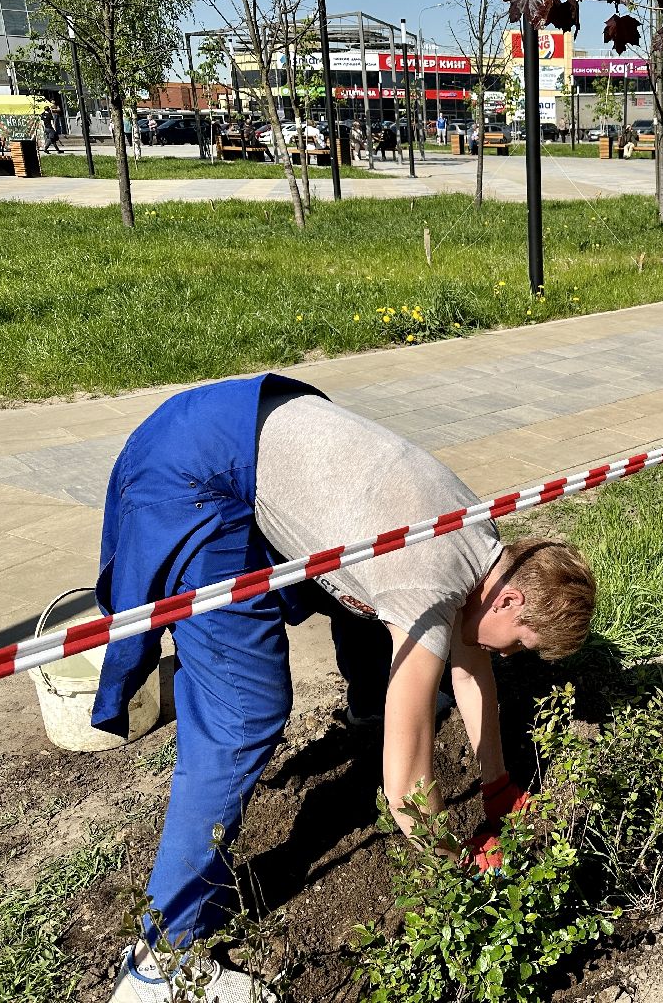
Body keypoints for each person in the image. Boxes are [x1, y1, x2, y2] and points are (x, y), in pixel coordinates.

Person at [97, 374, 597, 1001]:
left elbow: (474, 669)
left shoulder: (483, 542)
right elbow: (407, 788)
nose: (511, 653)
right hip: (194, 473)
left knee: (372, 601)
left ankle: (364, 708)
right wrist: (457, 869)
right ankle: (158, 962)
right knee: (243, 713)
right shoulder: (430, 584)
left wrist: (497, 787)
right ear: (513, 597)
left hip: (247, 418)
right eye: (521, 641)